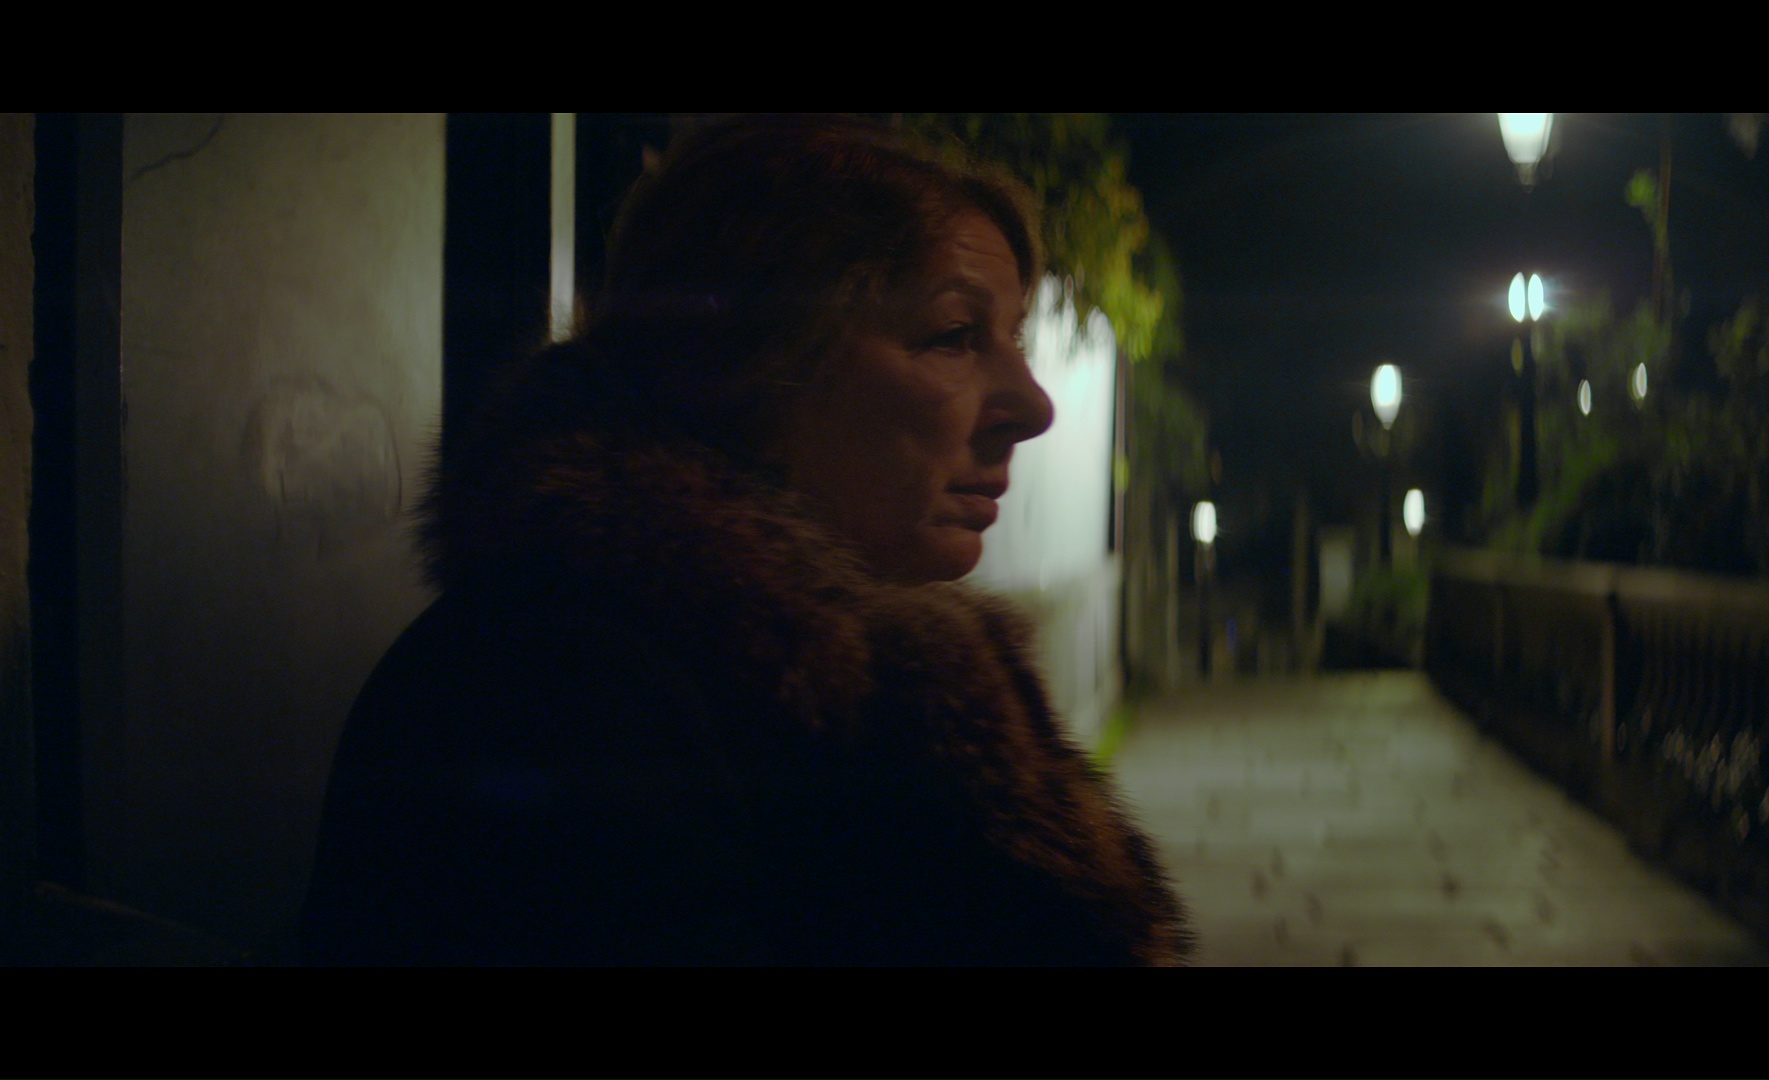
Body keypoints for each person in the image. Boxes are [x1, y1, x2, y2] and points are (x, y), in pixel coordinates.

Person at [300, 115, 1192, 965]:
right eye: (954, 335)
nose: (1033, 407)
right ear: (747, 366)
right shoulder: (551, 699)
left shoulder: (830, 681)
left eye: (1015, 338)